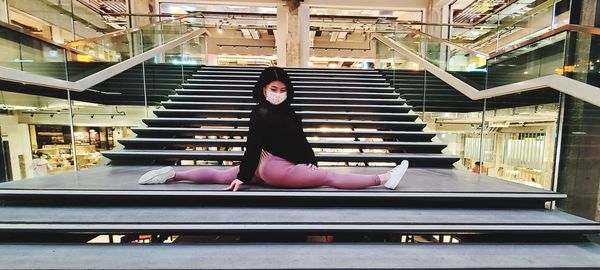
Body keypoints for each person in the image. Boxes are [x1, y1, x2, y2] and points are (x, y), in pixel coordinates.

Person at [138, 67, 409, 191]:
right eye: (273, 89)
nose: (278, 93)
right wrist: (244, 176)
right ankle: (383, 179)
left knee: (221, 176)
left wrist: (309, 161)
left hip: (263, 165)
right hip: (273, 167)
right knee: (329, 178)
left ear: (287, 91)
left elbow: (300, 141)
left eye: (282, 90)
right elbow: (253, 144)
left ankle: (173, 175)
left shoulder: (287, 111)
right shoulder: (262, 111)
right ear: (263, 89)